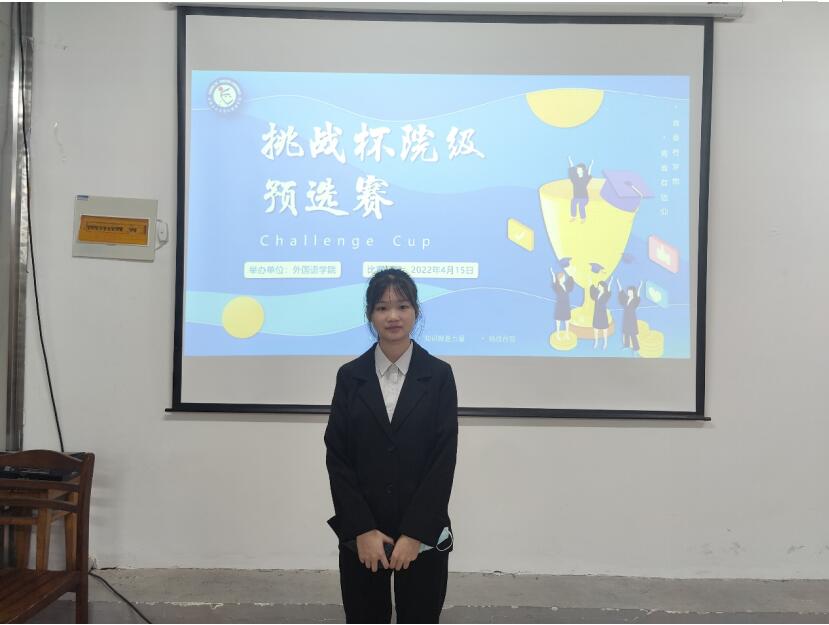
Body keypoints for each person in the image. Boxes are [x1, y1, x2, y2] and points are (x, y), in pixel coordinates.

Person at [325, 268, 458, 624]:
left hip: (423, 534)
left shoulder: (439, 375)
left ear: (416, 311)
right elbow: (338, 457)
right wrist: (361, 530)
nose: (393, 316)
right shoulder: (350, 376)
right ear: (370, 314)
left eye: (402, 306)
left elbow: (443, 460)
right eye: (382, 308)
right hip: (364, 536)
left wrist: (415, 534)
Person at [617, 279, 643, 355]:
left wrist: (640, 286)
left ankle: (636, 348)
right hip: (626, 317)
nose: (629, 293)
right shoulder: (626, 298)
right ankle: (626, 345)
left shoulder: (635, 300)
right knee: (626, 333)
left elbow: (638, 295)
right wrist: (618, 283)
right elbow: (621, 292)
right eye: (628, 292)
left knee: (632, 334)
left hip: (632, 319)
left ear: (633, 292)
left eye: (630, 292)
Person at [550, 266, 575, 337]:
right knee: (558, 320)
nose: (564, 278)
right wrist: (553, 275)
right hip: (560, 305)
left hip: (566, 304)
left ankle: (567, 334)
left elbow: (570, 280)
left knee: (567, 320)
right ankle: (558, 334)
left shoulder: (566, 285)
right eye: (563, 277)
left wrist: (572, 273)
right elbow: (554, 283)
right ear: (560, 278)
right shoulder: (557, 286)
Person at [568, 156, 593, 223]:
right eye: (577, 169)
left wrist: (591, 165)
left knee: (581, 206)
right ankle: (573, 217)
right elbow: (572, 168)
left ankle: (583, 218)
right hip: (576, 197)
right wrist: (570, 160)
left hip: (584, 198)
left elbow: (589, 172)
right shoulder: (574, 178)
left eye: (579, 169)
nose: (577, 170)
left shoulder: (585, 178)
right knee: (573, 203)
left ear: (583, 171)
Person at [590, 279, 612, 349]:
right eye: (598, 285)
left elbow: (609, 290)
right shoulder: (597, 293)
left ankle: (605, 343)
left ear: (602, 287)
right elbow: (592, 291)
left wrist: (610, 282)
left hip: (603, 313)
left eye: (599, 286)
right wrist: (591, 283)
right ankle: (596, 342)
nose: (598, 287)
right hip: (596, 312)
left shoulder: (606, 294)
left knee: (604, 330)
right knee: (595, 329)